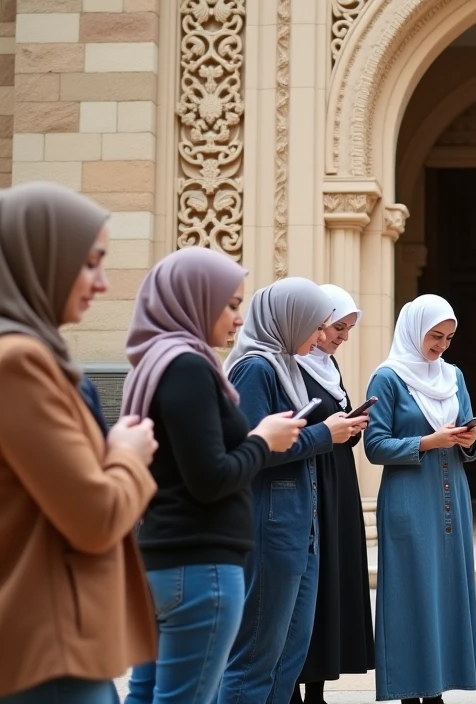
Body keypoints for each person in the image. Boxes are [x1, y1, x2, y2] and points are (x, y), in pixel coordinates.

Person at [0, 183, 159, 703]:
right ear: (38, 258)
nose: (102, 283)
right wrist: (126, 453)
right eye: (91, 262)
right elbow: (96, 517)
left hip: (18, 643)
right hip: (41, 654)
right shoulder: (15, 363)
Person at [122, 248, 305, 704]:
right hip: (197, 564)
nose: (239, 319)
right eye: (229, 304)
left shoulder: (157, 361)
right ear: (192, 299)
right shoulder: (187, 367)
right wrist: (264, 439)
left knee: (148, 694)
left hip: (166, 557)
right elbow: (211, 477)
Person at [218, 278, 368, 704]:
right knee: (255, 661)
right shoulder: (256, 368)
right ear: (289, 321)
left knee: (286, 658)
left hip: (300, 527)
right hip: (272, 527)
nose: (323, 337)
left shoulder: (285, 366)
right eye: (316, 326)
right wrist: (324, 433)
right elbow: (252, 446)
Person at [364, 294, 476, 704]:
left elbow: (469, 439)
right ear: (414, 331)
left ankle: (439, 688)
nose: (441, 346)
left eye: (448, 338)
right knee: (410, 592)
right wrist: (429, 441)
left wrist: (469, 440)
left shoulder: (453, 376)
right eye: (435, 336)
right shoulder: (388, 377)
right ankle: (412, 692)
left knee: (448, 590)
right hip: (408, 499)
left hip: (453, 495)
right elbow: (375, 446)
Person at [292, 284, 375, 704]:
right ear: (316, 323)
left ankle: (318, 690)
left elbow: (331, 424)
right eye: (338, 327)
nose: (343, 337)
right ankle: (293, 684)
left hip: (338, 481)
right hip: (312, 482)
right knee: (309, 580)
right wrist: (330, 429)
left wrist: (350, 426)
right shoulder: (290, 367)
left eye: (347, 329)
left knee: (333, 576)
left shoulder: (329, 367)